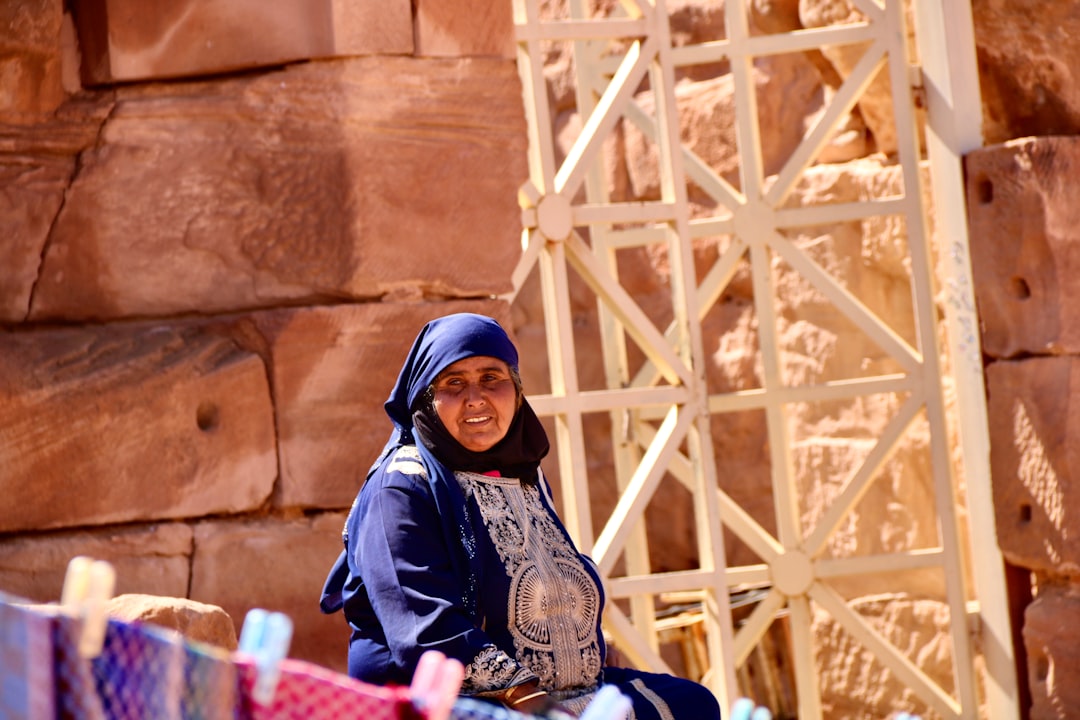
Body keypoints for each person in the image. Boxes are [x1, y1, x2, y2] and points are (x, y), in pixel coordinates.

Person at [320, 312, 722, 719]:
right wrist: (537, 704)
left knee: (693, 705)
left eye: (491, 378)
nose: (475, 398)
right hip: (459, 699)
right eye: (453, 383)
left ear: (516, 389)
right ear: (426, 398)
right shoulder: (402, 487)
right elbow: (425, 629)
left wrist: (590, 655)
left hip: (559, 693)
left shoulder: (521, 475)